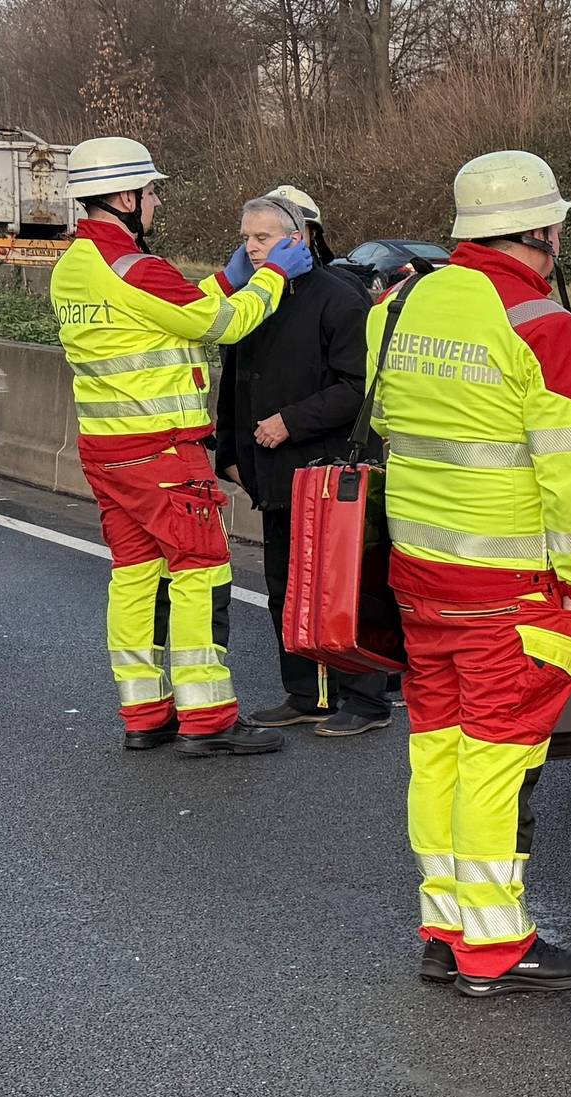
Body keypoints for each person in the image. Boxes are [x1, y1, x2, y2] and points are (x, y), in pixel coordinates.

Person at [364, 150, 571, 998]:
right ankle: (496, 947)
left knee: (437, 752)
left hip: (419, 572)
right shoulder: (543, 325)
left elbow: (389, 418)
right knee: (496, 760)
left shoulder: (402, 306)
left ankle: (445, 926)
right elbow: (568, 475)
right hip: (512, 586)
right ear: (541, 229)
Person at [52, 136, 308, 757]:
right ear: (124, 196)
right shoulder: (135, 269)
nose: (158, 201)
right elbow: (218, 325)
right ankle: (209, 718)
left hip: (109, 451)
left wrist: (226, 278)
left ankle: (145, 712)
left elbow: (174, 313)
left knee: (136, 576)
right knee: (200, 572)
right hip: (163, 452)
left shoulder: (77, 268)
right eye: (151, 191)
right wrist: (273, 276)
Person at [212, 195, 391, 737]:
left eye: (262, 238)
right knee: (283, 586)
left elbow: (360, 387)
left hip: (328, 468)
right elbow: (235, 383)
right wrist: (230, 454)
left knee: (343, 587)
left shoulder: (341, 299)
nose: (250, 248)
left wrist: (292, 420)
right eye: (246, 237)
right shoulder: (253, 300)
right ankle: (305, 693)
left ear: (299, 238)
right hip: (270, 470)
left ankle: (365, 700)